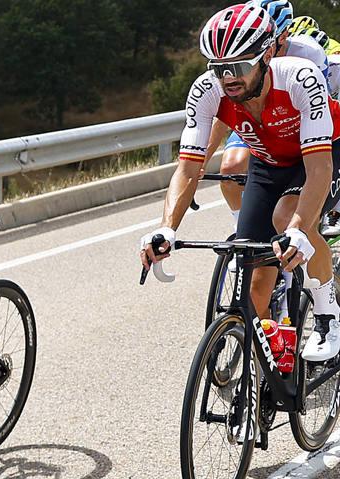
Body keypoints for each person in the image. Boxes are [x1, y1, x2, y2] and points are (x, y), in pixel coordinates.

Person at [142, 4, 340, 362]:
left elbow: (319, 169)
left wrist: (297, 229)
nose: (228, 78)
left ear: (267, 54)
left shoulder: (300, 77)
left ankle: (328, 314)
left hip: (324, 154)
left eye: (238, 67)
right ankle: (269, 371)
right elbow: (188, 169)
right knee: (255, 288)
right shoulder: (208, 91)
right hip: (269, 162)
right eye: (218, 69)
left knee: (287, 219)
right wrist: (166, 229)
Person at [212, 1, 332, 217]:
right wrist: (199, 163)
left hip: (294, 120)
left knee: (293, 203)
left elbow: (317, 108)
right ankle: (240, 224)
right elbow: (225, 111)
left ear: (283, 35)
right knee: (230, 169)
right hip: (255, 118)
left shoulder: (308, 53)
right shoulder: (240, 63)